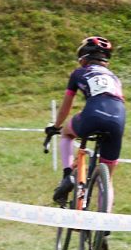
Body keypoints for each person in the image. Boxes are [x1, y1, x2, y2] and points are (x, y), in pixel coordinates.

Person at [47, 37, 126, 221]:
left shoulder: (79, 73)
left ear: (84, 57)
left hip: (92, 115)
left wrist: (55, 127)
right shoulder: (115, 78)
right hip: (118, 119)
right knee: (107, 181)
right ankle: (105, 224)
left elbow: (66, 106)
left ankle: (67, 176)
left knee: (66, 134)